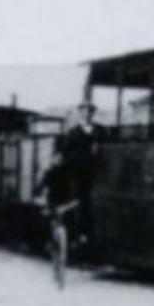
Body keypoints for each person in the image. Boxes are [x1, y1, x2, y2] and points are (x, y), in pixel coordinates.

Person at [56, 100, 99, 245]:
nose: (87, 114)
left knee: (89, 203)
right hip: (77, 172)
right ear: (81, 113)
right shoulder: (73, 132)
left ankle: (87, 235)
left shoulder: (99, 130)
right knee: (77, 202)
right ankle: (75, 236)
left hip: (94, 172)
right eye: (84, 111)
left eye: (90, 111)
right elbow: (66, 152)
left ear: (93, 113)